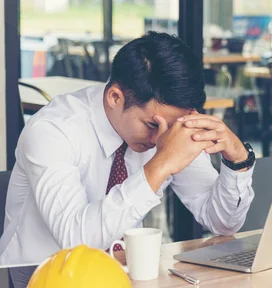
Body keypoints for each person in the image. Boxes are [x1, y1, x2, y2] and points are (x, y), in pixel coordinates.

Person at [0, 31, 256, 265]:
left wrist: (238, 162)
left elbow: (222, 223)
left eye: (173, 125)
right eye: (151, 125)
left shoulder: (164, 128)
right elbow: (76, 241)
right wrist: (160, 165)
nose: (160, 139)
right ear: (115, 97)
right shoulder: (52, 130)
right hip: (39, 275)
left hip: (125, 273)